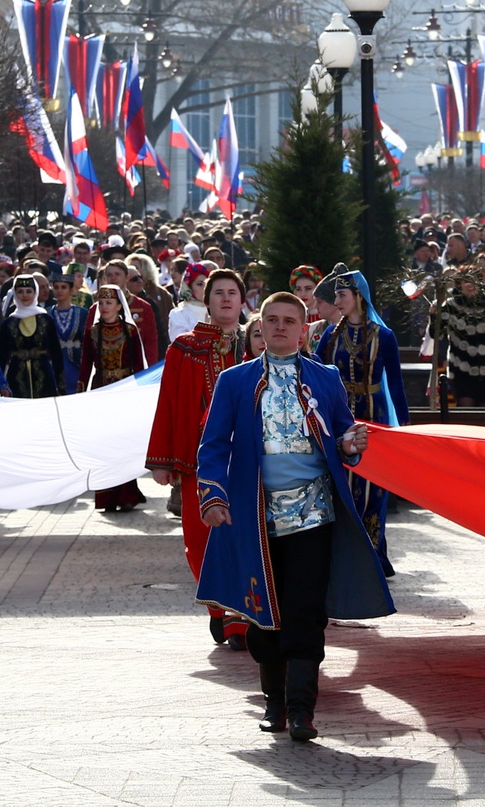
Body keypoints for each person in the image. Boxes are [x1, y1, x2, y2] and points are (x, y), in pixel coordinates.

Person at [196, 292, 392, 742]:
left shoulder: (326, 378)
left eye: (290, 321)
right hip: (255, 514)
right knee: (265, 610)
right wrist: (214, 496)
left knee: (305, 610)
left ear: (304, 330)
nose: (280, 327)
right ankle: (275, 703)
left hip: (315, 511)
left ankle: (303, 709)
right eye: (272, 320)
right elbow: (213, 447)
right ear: (259, 327)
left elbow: (343, 431)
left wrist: (350, 444)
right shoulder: (234, 381)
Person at [147, 268, 250, 650]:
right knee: (200, 537)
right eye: (218, 292)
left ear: (243, 301)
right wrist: (161, 458)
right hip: (198, 461)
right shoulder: (184, 348)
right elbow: (168, 404)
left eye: (232, 292)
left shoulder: (256, 344)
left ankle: (243, 614)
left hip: (247, 461)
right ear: (206, 302)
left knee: (244, 534)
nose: (225, 298)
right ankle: (218, 608)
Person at [314, 264, 409, 573]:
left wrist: (404, 429)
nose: (337, 301)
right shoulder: (331, 334)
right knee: (341, 484)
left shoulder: (385, 336)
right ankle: (343, 552)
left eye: (342, 295)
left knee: (373, 486)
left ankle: (373, 554)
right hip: (340, 416)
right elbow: (315, 369)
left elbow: (395, 384)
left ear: (358, 296)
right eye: (336, 295)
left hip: (374, 416)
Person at [81, 283, 152, 512]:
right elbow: (85, 365)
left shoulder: (130, 331)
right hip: (101, 390)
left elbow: (138, 365)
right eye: (100, 303)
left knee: (122, 444)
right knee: (105, 445)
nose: (104, 307)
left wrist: (140, 392)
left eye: (109, 303)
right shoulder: (92, 332)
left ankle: (126, 494)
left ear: (120, 305)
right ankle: (106, 498)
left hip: (124, 392)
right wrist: (81, 393)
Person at [432, 268, 485, 409]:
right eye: (466, 281)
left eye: (474, 281)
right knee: (466, 408)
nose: (470, 285)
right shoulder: (451, 306)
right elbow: (437, 334)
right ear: (460, 284)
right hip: (461, 369)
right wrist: (434, 315)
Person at [0, 273, 66, 397]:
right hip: (16, 379)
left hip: (44, 378)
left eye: (29, 291)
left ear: (35, 293)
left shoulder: (46, 320)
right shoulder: (8, 323)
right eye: (20, 291)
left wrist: (60, 385)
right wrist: (0, 385)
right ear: (15, 294)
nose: (24, 295)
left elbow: (56, 354)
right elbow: (1, 356)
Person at [48, 270, 90, 394]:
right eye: (56, 287)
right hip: (53, 367)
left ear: (71, 290)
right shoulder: (46, 313)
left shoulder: (82, 313)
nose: (59, 291)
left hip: (76, 365)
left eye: (64, 287)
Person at [168, 262, 212, 344]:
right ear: (189, 287)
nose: (205, 288)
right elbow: (181, 345)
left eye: (208, 284)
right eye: (200, 284)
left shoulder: (216, 311)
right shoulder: (179, 314)